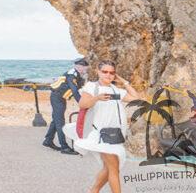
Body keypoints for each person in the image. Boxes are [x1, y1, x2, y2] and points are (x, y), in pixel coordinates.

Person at [62, 60, 141, 193]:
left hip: (116, 134)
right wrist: (96, 98)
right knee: (114, 167)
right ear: (98, 72)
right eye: (105, 72)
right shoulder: (92, 86)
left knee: (109, 168)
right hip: (100, 133)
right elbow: (82, 104)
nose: (108, 75)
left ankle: (94, 191)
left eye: (112, 73)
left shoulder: (116, 90)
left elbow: (136, 98)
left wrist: (124, 82)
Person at [43, 57, 88, 154]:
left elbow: (80, 89)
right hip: (57, 97)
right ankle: (64, 147)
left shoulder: (77, 75)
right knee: (60, 122)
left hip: (60, 97)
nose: (85, 69)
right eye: (84, 67)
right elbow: (74, 90)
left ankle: (48, 140)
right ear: (78, 67)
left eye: (86, 67)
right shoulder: (71, 75)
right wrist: (81, 103)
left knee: (56, 119)